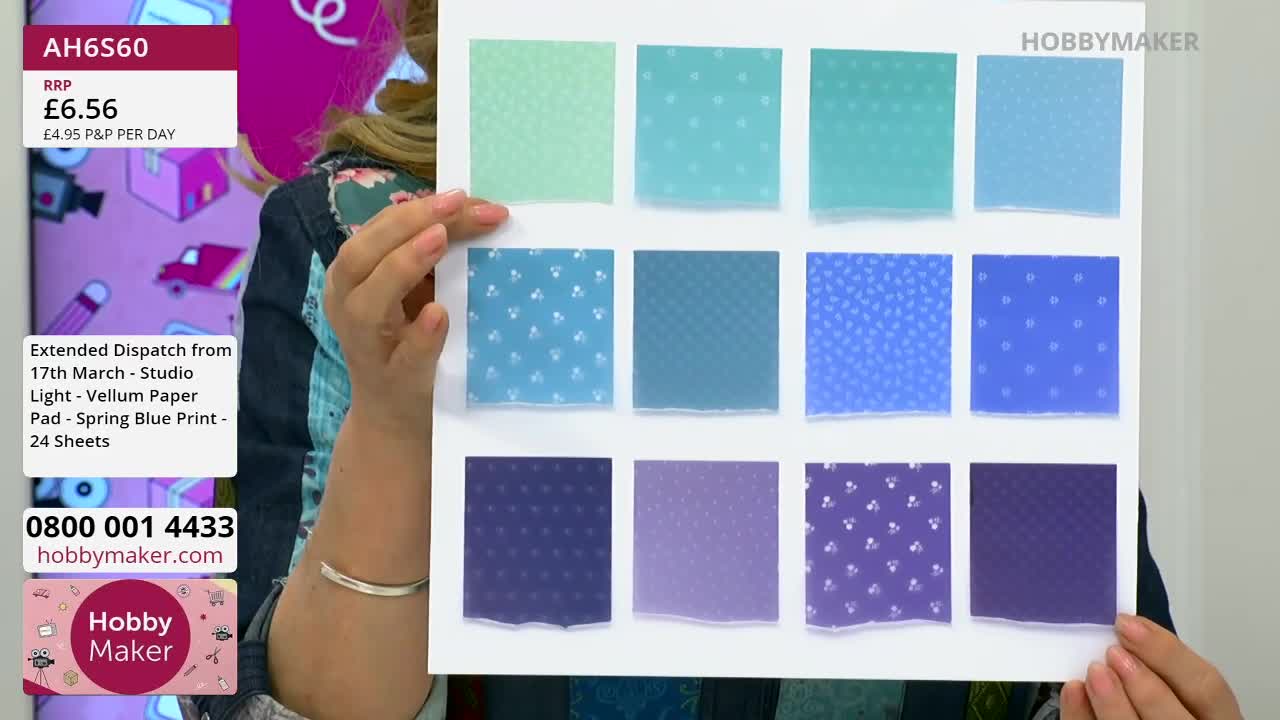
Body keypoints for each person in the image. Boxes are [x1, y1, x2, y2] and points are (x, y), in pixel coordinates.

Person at [184, 1, 1245, 718]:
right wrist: (397, 423)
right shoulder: (353, 232)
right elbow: (273, 696)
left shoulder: (977, 215)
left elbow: (1065, 675)